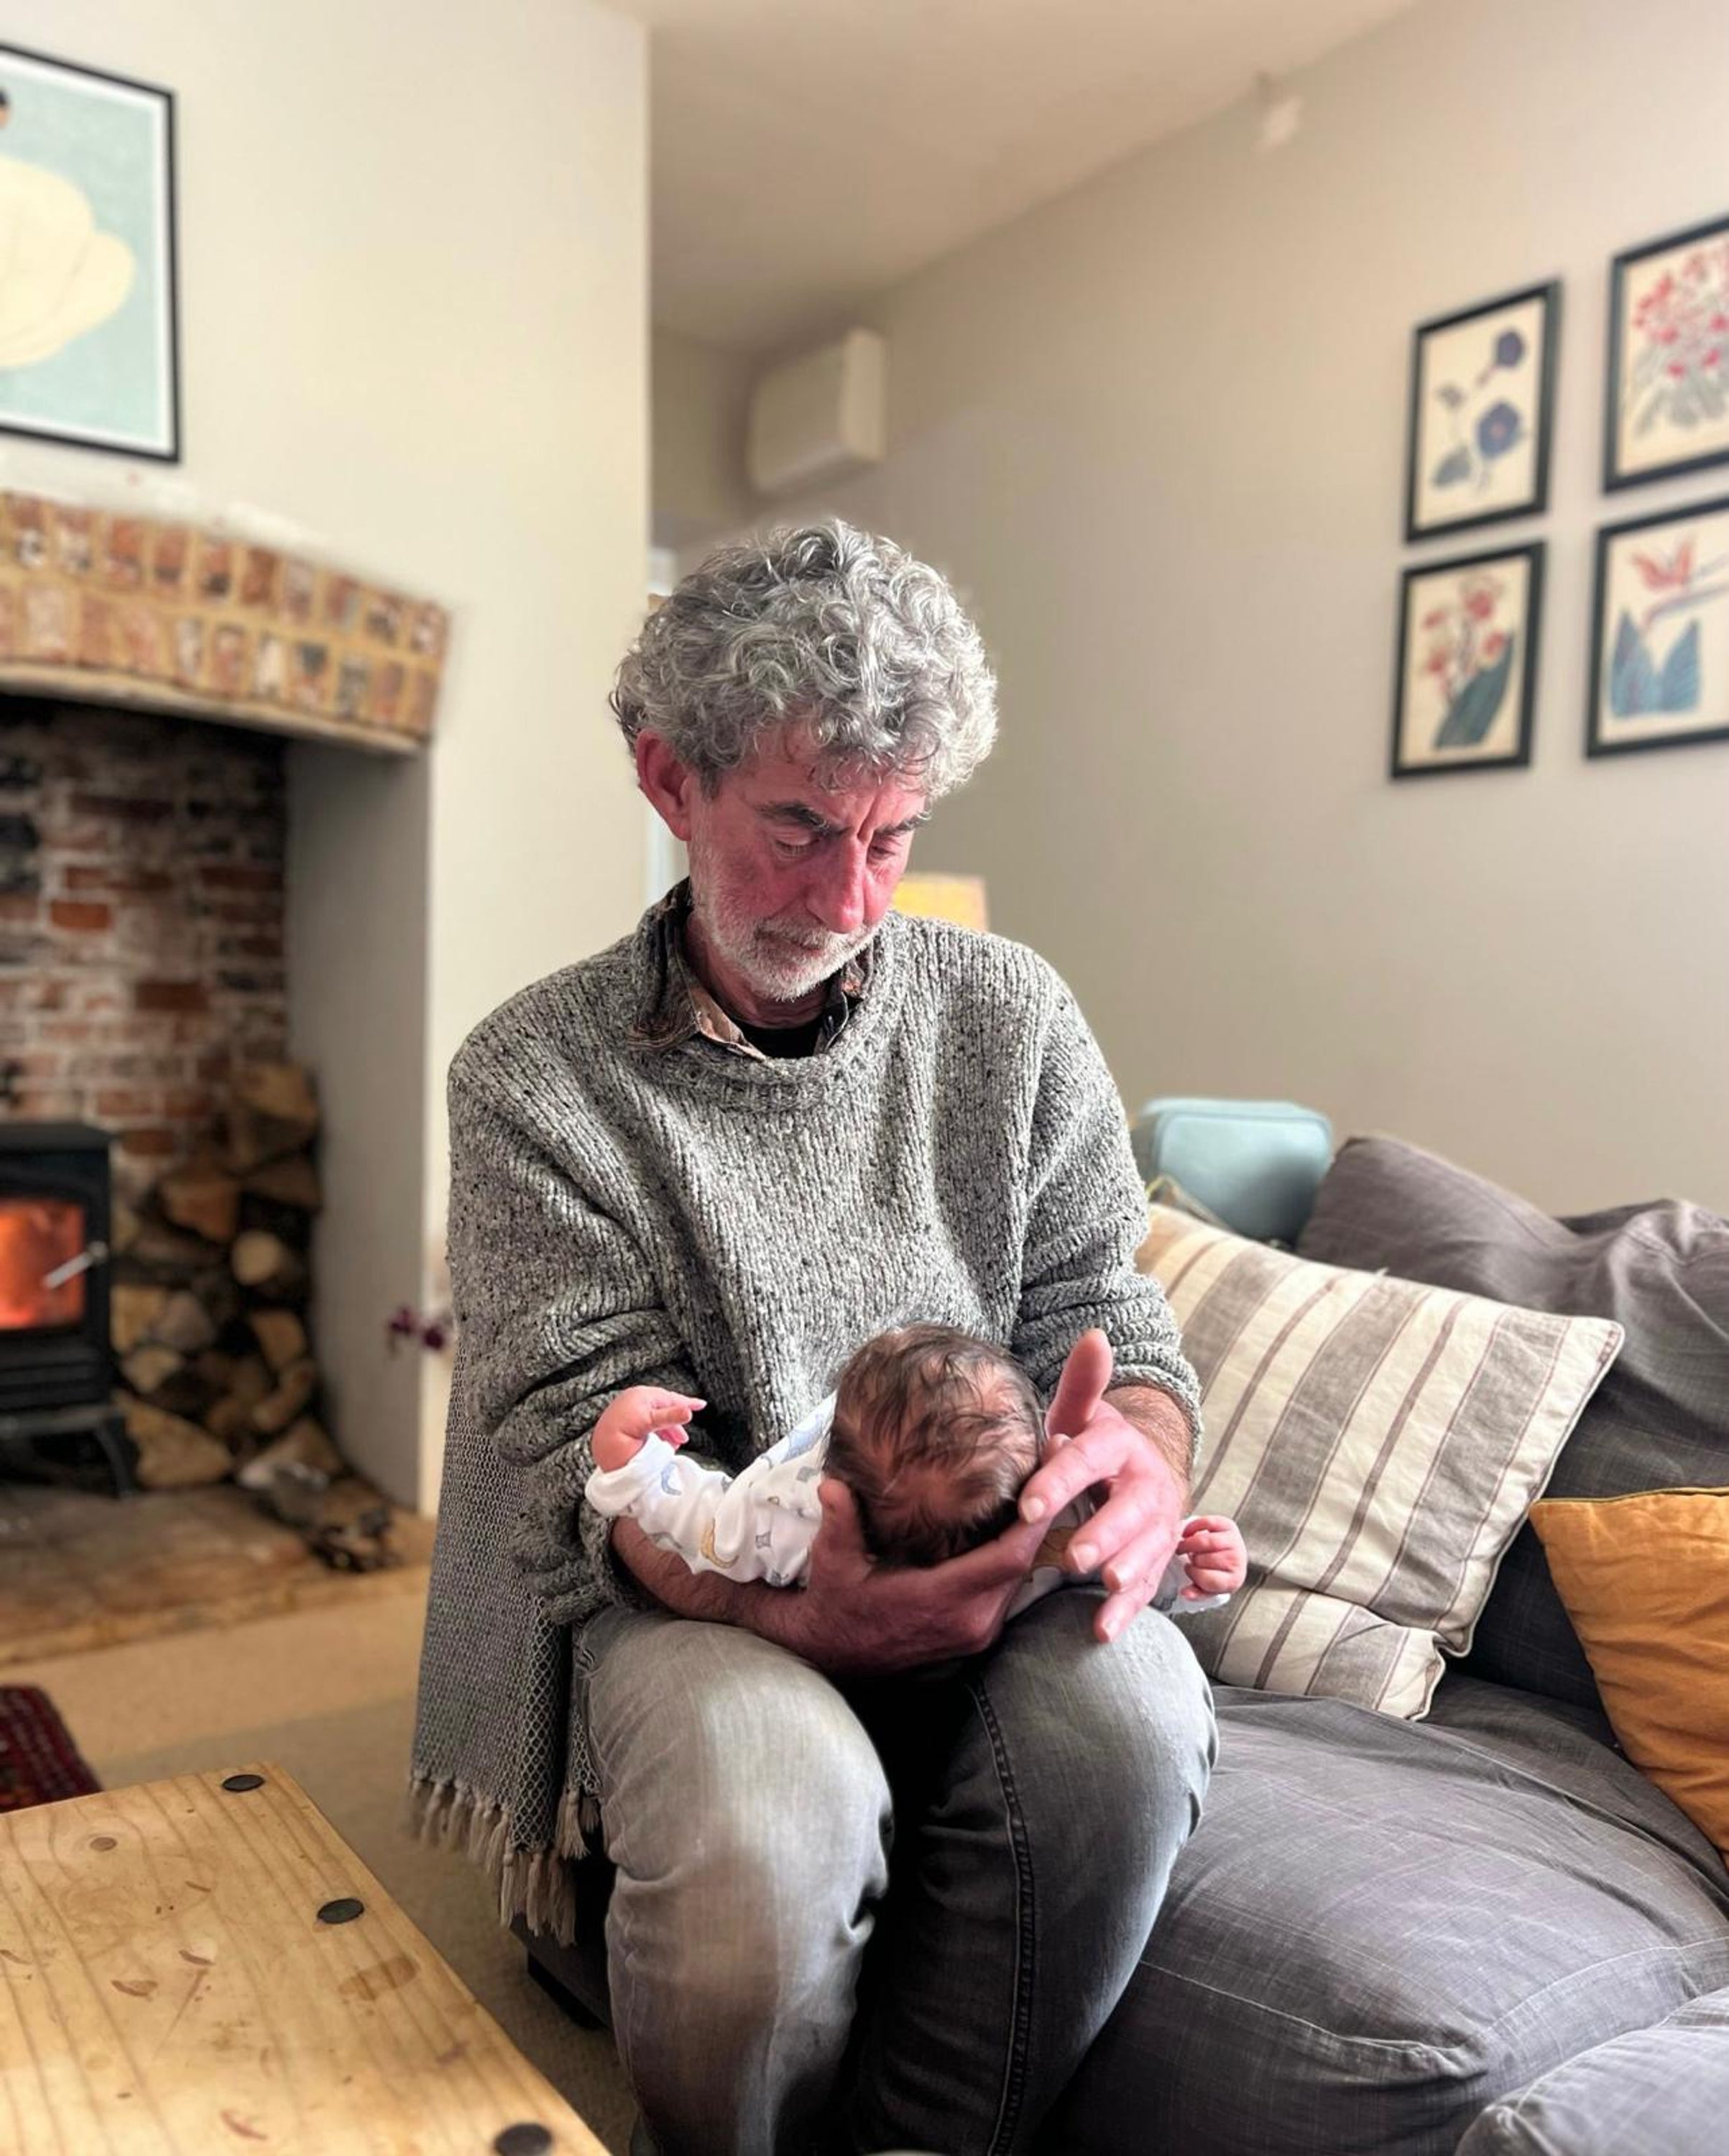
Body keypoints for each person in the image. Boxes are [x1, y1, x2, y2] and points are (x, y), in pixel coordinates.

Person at [410, 519, 1219, 2156]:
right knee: (768, 1814)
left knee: (1138, 1725)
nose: (847, 897)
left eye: (891, 836)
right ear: (665, 777)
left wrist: (1135, 1445)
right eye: (796, 826)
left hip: (975, 1527)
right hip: (696, 1559)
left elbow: (1106, 1308)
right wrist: (787, 1605)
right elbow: (562, 1449)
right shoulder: (534, 1076)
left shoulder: (1010, 1015)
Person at [583, 1321, 1248, 1616]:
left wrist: (630, 1461)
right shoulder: (1048, 1528)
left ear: (829, 1468)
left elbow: (694, 1520)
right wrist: (1199, 1565)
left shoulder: (787, 1523)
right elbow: (1134, 1562)